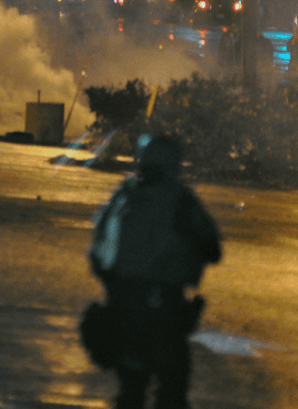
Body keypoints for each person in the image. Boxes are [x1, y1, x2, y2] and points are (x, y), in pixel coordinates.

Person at [88, 135, 222, 409]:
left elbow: (98, 250)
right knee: (172, 386)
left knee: (130, 389)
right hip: (165, 304)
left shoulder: (124, 195)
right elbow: (212, 248)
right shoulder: (181, 200)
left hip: (123, 301)